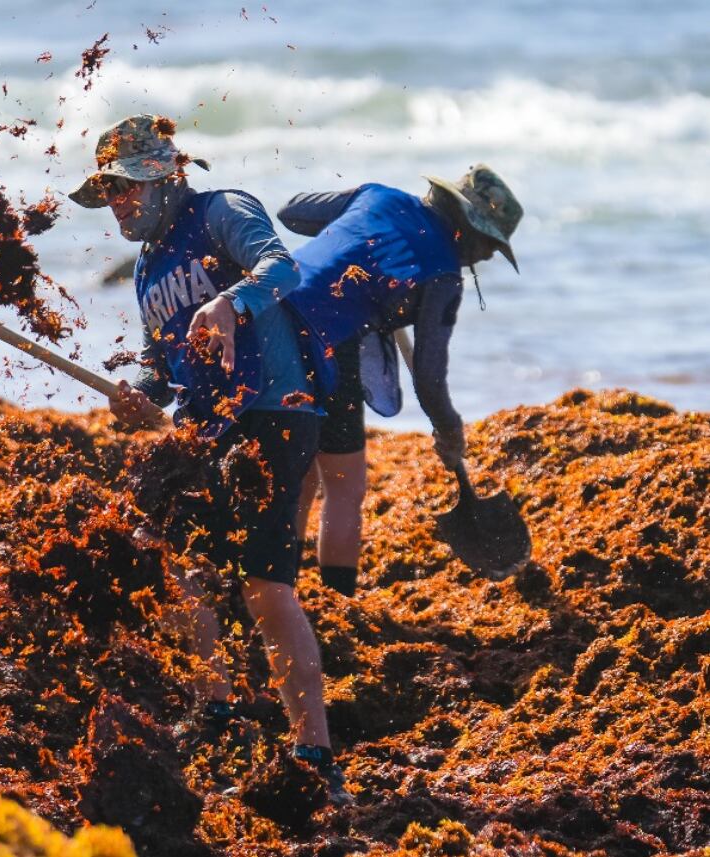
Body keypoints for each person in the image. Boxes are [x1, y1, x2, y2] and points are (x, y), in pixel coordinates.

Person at [70, 114, 350, 803]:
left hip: (275, 410)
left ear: (170, 176)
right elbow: (158, 367)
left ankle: (314, 748)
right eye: (110, 192)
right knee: (177, 562)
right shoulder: (145, 269)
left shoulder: (220, 211)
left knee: (264, 583)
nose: (121, 203)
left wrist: (229, 302)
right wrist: (137, 394)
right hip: (203, 428)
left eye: (131, 187)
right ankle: (216, 705)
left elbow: (279, 266)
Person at [280, 167, 523, 597]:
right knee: (345, 485)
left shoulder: (375, 195)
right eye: (488, 244)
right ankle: (339, 602)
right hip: (327, 343)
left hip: (269, 314)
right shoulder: (442, 274)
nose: (486, 257)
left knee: (298, 470)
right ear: (466, 228)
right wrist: (449, 428)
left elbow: (291, 213)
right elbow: (429, 378)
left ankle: (277, 585)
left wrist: (360, 239)